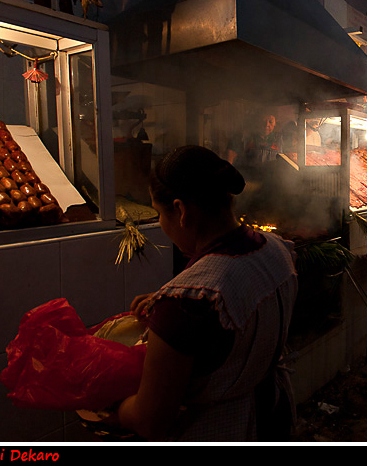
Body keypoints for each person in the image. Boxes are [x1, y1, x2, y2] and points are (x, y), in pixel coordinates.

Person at [112, 145, 298, 441]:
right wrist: (167, 301)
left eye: (159, 212)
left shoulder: (185, 303)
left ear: (181, 211)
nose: (161, 222)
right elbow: (241, 293)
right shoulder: (276, 248)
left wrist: (109, 409)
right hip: (273, 418)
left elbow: (149, 420)